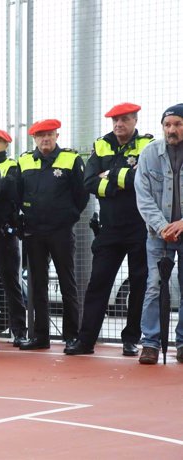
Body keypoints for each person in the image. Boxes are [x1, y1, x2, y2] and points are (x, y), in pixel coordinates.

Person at [66, 103, 152, 357]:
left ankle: (131, 339)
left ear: (135, 120)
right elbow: (90, 183)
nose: (119, 125)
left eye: (124, 120)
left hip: (140, 226)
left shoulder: (147, 145)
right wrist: (121, 181)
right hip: (109, 228)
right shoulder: (101, 145)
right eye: (115, 120)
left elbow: (143, 181)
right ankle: (86, 341)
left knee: (140, 285)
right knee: (98, 284)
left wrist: (110, 175)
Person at [17, 119, 89, 350]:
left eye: (49, 134)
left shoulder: (71, 159)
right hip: (34, 232)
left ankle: (71, 335)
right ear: (34, 139)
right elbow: (18, 193)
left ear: (57, 135)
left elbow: (82, 194)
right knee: (37, 284)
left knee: (67, 282)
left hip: (60, 231)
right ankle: (41, 336)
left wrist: (68, 216)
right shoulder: (24, 160)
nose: (45, 139)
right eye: (40, 136)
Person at [134, 103, 183, 365]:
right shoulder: (150, 153)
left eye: (177, 124)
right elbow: (143, 196)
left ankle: (182, 343)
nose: (171, 129)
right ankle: (150, 344)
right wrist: (163, 226)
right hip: (158, 234)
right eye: (167, 125)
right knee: (154, 286)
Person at [0, 128, 27, 346]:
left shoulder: (12, 165)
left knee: (11, 282)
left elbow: (9, 192)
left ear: (6, 145)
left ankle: (19, 330)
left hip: (4, 233)